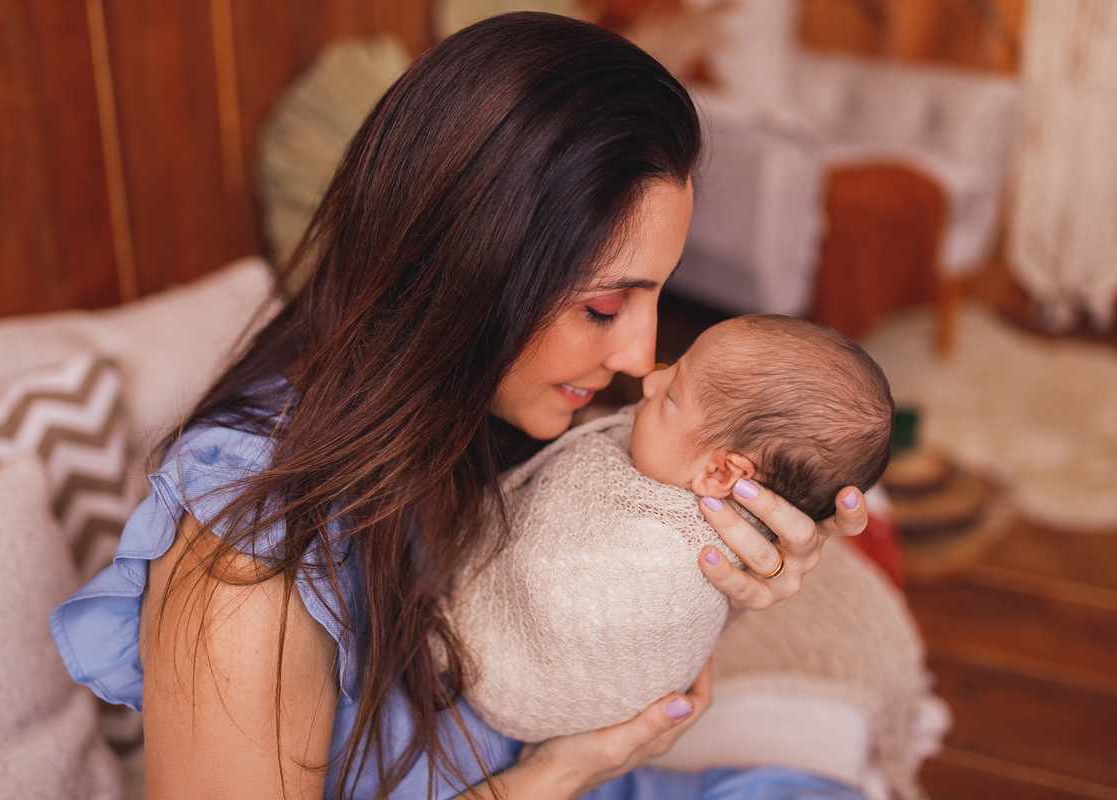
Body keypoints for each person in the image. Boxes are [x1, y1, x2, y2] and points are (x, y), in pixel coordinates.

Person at [50, 13, 871, 800]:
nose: (637, 358)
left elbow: (591, 614)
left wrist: (716, 576)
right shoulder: (244, 566)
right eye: (602, 306)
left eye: (658, 293)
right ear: (467, 273)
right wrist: (561, 776)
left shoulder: (486, 410)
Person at [448, 314, 894, 743]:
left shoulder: (664, 553)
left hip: (517, 682)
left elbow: (569, 599)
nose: (650, 379)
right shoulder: (671, 456)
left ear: (720, 474)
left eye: (671, 395)